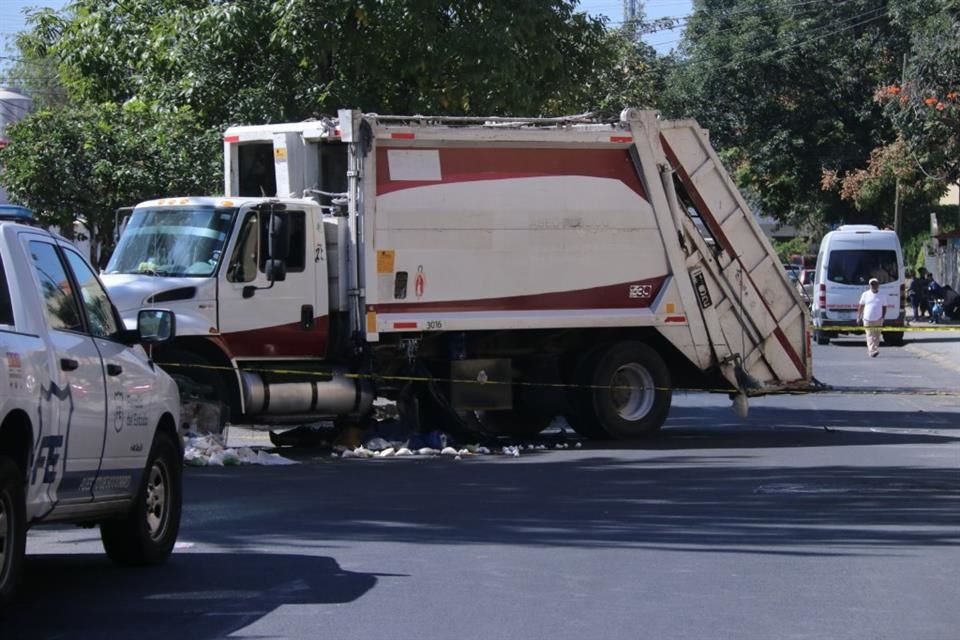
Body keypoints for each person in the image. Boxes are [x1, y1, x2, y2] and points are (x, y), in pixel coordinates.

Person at [857, 277, 887, 357]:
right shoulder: (865, 294)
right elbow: (861, 306)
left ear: (878, 285)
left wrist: (883, 317)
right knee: (869, 335)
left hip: (878, 319)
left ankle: (875, 349)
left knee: (876, 336)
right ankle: (871, 350)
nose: (874, 286)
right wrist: (858, 317)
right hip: (867, 319)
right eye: (872, 284)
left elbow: (884, 307)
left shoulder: (882, 295)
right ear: (869, 285)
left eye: (875, 284)